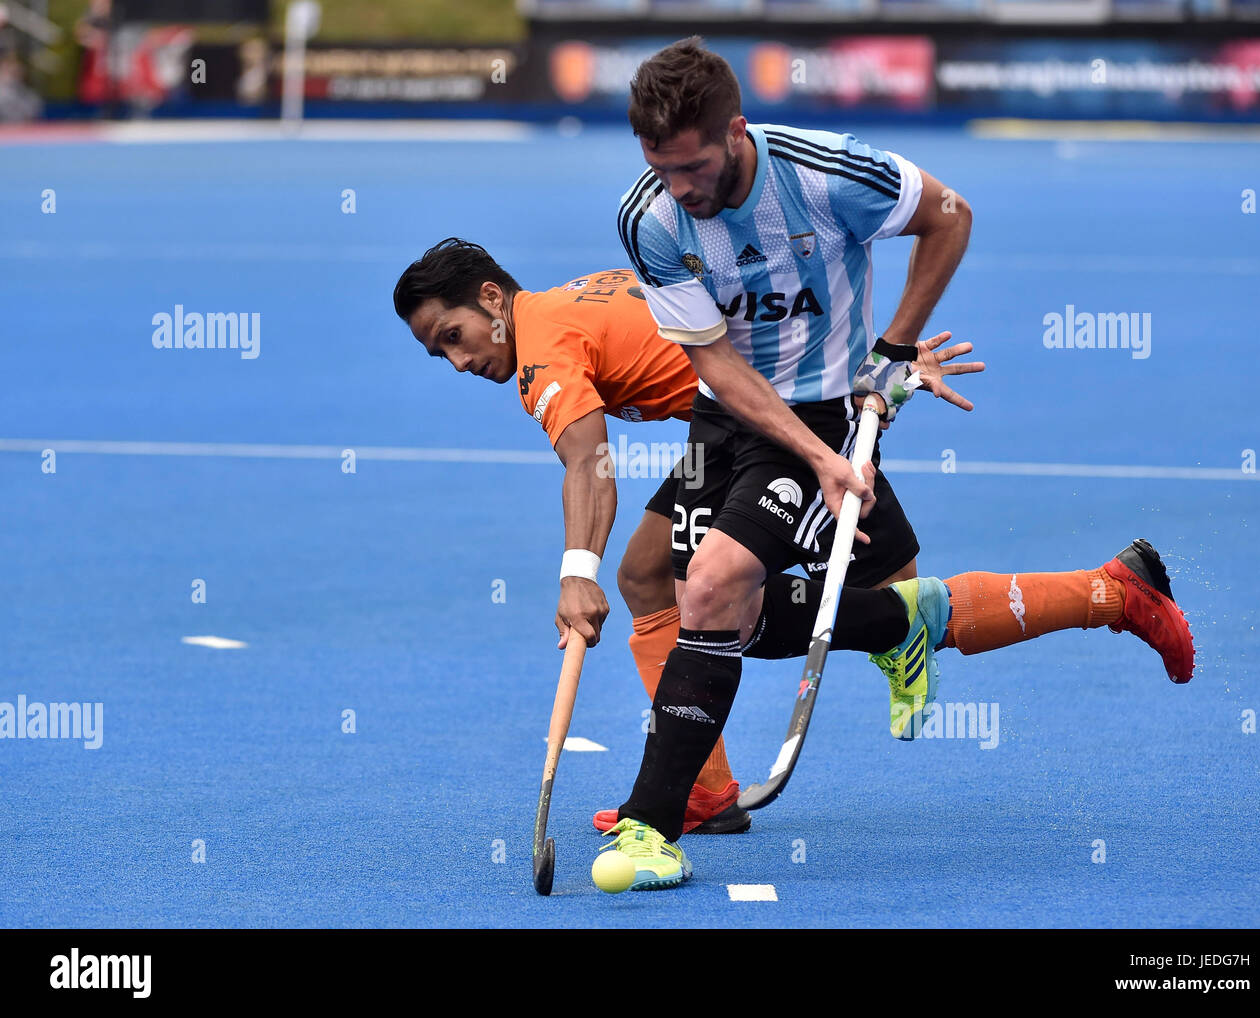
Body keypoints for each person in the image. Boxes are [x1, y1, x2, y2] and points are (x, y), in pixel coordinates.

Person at [594, 37, 1194, 891]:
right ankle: (982, 610)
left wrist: (892, 350)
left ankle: (655, 824)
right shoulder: (650, 218)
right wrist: (811, 456)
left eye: (692, 167)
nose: (680, 190)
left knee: (712, 589)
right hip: (725, 418)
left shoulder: (825, 172)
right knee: (701, 600)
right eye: (662, 167)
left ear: (734, 133)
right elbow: (717, 363)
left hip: (829, 408)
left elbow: (950, 215)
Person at [391, 238, 962, 834]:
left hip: (785, 422)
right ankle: (704, 791)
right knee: (647, 574)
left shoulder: (543, 354)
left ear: (491, 299)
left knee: (895, 599)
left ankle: (1024, 607)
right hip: (727, 428)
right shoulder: (563, 303)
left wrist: (577, 577)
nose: (458, 362)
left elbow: (590, 465)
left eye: (454, 336)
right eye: (440, 355)